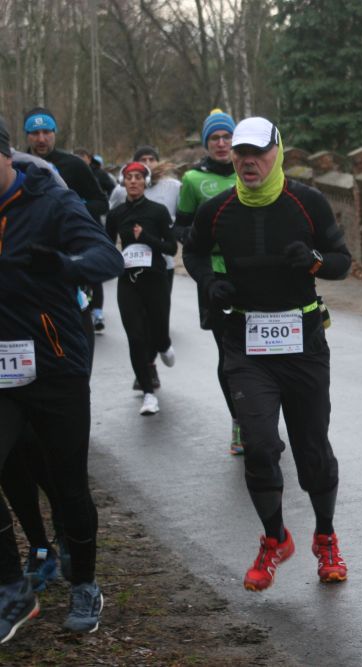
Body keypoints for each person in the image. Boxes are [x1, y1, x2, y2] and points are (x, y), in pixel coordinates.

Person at [183, 117, 352, 592]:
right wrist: (209, 281)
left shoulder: (307, 202)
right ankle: (275, 539)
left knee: (312, 448)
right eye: (241, 152)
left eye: (258, 152)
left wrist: (315, 262)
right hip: (245, 343)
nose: (248, 161)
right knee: (257, 445)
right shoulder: (217, 209)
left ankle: (325, 537)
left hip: (304, 342)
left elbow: (342, 262)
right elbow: (193, 252)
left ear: (278, 152)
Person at [0, 115, 124, 642]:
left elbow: (107, 256)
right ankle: (13, 588)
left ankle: (85, 585)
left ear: (5, 155)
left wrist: (65, 265)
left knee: (68, 484)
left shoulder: (52, 202)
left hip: (55, 364)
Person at [174, 110, 245, 454]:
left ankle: (261, 413)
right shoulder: (192, 179)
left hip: (253, 273)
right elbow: (180, 226)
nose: (221, 143)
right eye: (214, 138)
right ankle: (239, 421)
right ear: (206, 143)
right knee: (228, 353)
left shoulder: (250, 171)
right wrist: (202, 237)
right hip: (214, 276)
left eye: (226, 137)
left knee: (262, 352)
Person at [24, 109, 110, 335]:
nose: (41, 139)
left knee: (75, 319)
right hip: (28, 251)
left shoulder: (74, 165)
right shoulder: (17, 164)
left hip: (67, 251)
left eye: (46, 132)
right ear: (26, 135)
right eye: (34, 133)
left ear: (55, 133)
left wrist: (71, 212)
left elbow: (101, 203)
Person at [106, 161, 177, 415]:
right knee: (135, 338)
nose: (133, 181)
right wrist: (113, 261)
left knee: (158, 331)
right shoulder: (116, 214)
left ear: (145, 182)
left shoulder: (157, 211)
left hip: (155, 279)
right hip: (129, 281)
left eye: (138, 177)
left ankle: (164, 343)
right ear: (123, 182)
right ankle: (148, 393)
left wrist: (145, 238)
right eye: (129, 177)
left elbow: (171, 248)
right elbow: (107, 245)